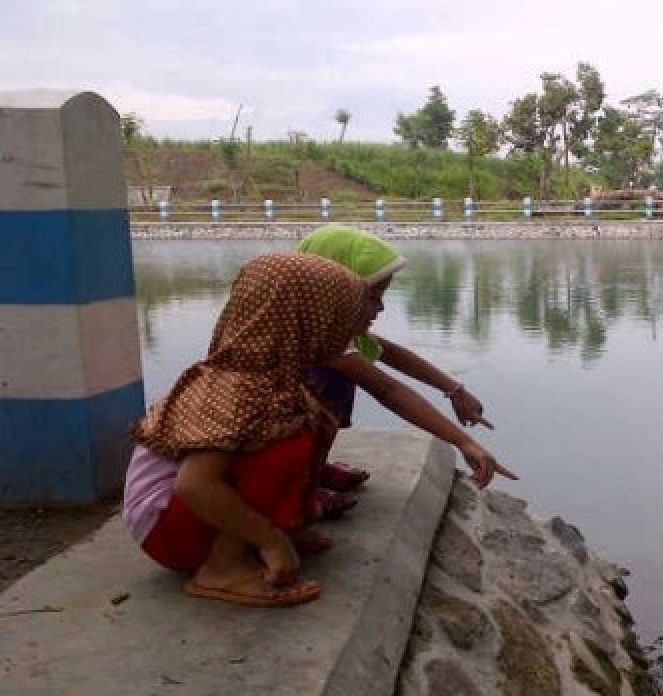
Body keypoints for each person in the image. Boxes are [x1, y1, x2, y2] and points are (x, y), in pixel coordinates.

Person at [121, 251, 511, 608]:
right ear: (308, 317)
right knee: (286, 445)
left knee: (307, 420)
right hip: (165, 527)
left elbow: (389, 356)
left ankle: (257, 536)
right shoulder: (234, 386)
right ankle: (224, 568)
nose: (369, 314)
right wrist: (271, 542)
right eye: (348, 310)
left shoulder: (271, 374)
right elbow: (194, 486)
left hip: (191, 515)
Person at [296, 225, 513, 522]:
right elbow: (389, 391)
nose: (381, 307)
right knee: (327, 390)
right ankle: (298, 489)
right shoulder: (313, 338)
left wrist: (453, 390)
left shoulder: (331, 328)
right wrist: (464, 442)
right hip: (264, 439)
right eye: (372, 296)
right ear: (332, 291)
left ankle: (313, 468)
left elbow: (390, 353)